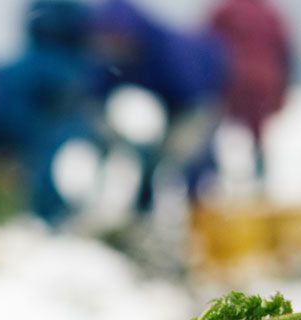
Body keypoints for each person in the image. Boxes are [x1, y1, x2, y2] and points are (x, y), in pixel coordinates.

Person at [89, 0, 228, 211]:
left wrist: (178, 145)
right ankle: (144, 210)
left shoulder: (172, 54)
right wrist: (108, 135)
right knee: (149, 155)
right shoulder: (115, 54)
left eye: (117, 38)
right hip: (166, 95)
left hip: (198, 92)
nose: (112, 45)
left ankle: (198, 209)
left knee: (189, 156)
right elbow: (95, 94)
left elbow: (197, 106)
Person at [0, 0, 99, 226]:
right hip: (60, 143)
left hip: (33, 142)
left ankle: (47, 219)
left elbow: (8, 108)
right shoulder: (81, 69)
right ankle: (56, 219)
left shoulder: (21, 68)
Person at [208, 0, 291, 181]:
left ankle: (209, 179)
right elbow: (286, 52)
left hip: (232, 80)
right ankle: (260, 181)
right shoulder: (271, 14)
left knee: (212, 129)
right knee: (258, 135)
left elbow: (205, 43)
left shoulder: (225, 11)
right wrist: (283, 89)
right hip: (265, 83)